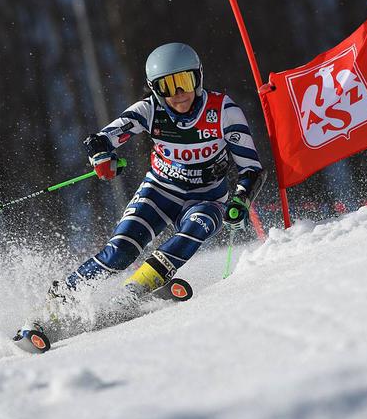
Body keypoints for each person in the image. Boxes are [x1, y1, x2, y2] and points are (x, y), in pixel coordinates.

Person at [53, 42, 265, 299]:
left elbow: (251, 167)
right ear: (155, 89)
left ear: (198, 79)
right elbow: (101, 139)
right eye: (167, 85)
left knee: (201, 223)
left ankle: (137, 287)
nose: (178, 93)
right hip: (159, 191)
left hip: (207, 196)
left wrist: (242, 198)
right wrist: (102, 157)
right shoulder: (149, 110)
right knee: (121, 251)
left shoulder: (224, 111)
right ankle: (62, 298)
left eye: (184, 82)